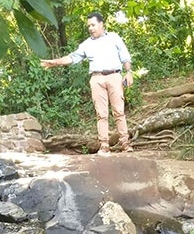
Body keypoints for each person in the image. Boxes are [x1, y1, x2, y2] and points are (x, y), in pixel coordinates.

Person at [41, 12, 133, 154]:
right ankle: (104, 145)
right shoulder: (87, 44)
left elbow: (125, 56)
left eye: (93, 25)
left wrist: (128, 72)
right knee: (101, 114)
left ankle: (125, 143)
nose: (91, 28)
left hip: (114, 76)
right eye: (88, 26)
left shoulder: (114, 38)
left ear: (101, 24)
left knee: (119, 112)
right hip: (96, 79)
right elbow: (72, 58)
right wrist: (55, 62)